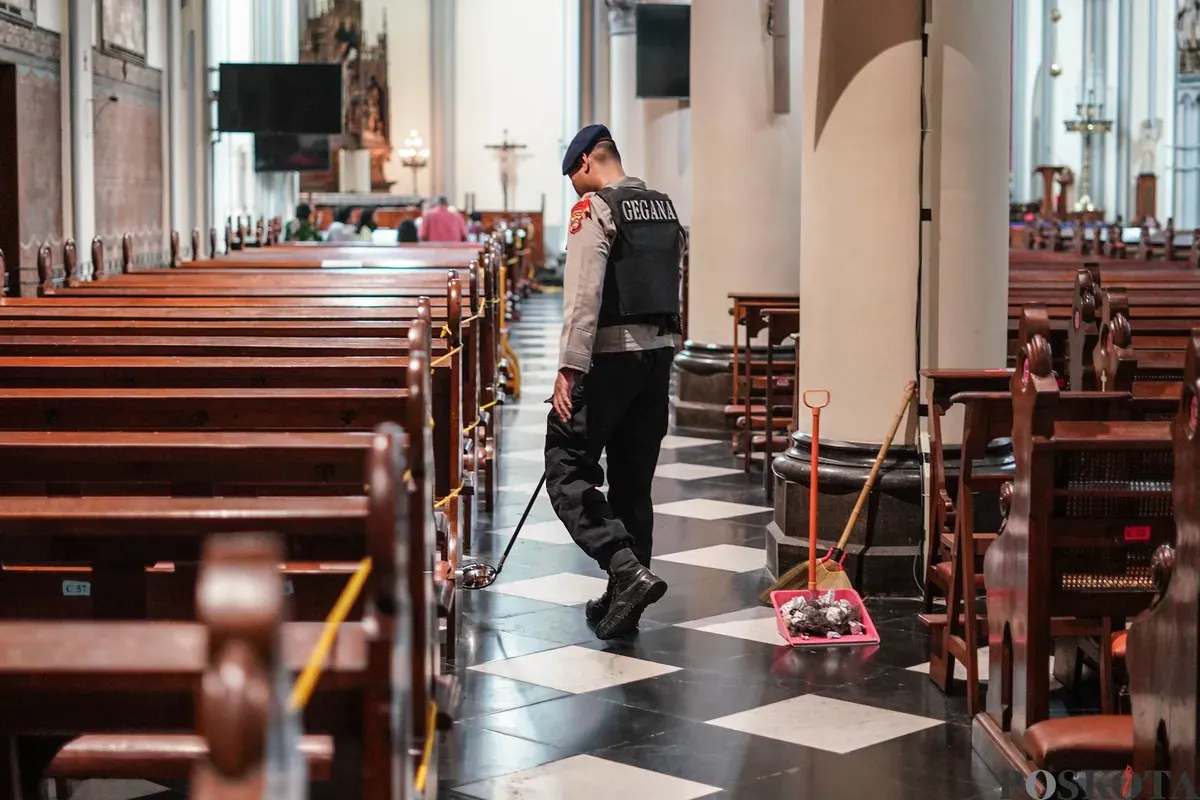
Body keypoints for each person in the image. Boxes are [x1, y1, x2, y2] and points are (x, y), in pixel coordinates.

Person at [545, 124, 685, 640]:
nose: (576, 190)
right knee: (633, 482)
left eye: (574, 178)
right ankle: (624, 598)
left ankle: (624, 570)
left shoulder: (595, 209)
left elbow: (583, 295)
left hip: (607, 359)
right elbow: (673, 285)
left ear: (585, 162)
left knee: (565, 466)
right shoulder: (665, 208)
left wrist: (569, 368)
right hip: (658, 358)